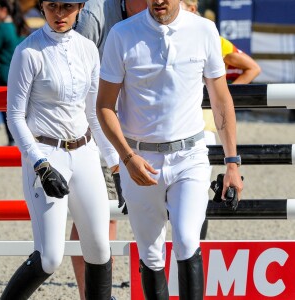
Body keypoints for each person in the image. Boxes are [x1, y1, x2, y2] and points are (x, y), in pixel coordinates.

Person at [96, 1, 243, 299]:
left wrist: (232, 164)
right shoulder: (121, 34)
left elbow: (221, 99)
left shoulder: (205, 30)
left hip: (190, 155)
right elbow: (103, 106)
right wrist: (126, 158)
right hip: (140, 159)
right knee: (151, 253)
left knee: (188, 241)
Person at [1, 0, 119, 299]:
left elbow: (94, 112)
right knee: (50, 257)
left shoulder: (89, 49)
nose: (59, 14)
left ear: (79, 7)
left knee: (100, 249)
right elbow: (15, 117)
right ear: (42, 7)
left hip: (85, 152)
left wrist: (115, 163)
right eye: (52, 6)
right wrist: (40, 163)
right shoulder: (27, 51)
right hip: (46, 152)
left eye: (67, 6)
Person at [70, 1, 147, 299]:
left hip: (139, 126)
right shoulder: (95, 12)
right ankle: (95, 294)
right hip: (102, 128)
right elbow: (76, 70)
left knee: (113, 214)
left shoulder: (159, 8)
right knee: (101, 215)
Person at [181, 0, 261, 240]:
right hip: (173, 128)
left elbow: (252, 68)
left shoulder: (211, 38)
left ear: (192, 9)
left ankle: (193, 252)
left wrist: (225, 96)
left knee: (193, 197)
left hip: (203, 126)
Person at [0, 0, 29, 145]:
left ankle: (12, 140)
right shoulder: (21, 27)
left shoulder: (2, 28)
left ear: (3, 9)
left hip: (4, 75)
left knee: (7, 111)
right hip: (22, 76)